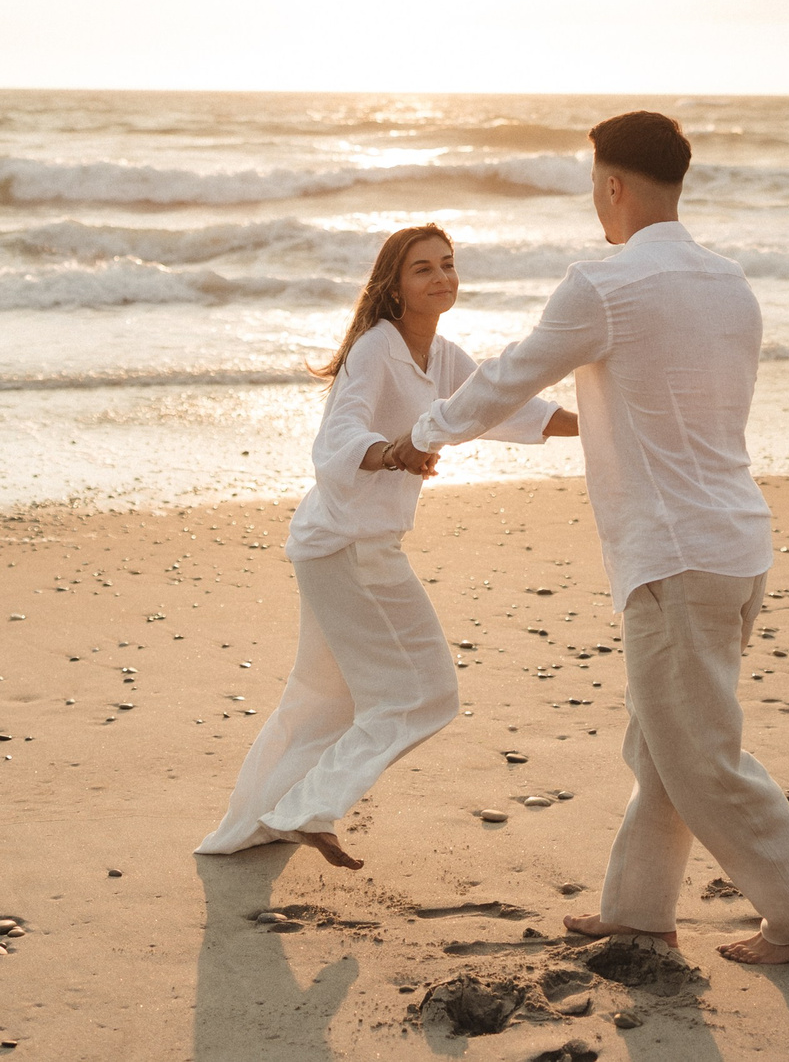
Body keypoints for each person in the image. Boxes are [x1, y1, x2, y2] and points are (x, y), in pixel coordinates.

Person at [396, 111, 789, 965]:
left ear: (612, 184)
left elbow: (506, 376)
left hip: (675, 553)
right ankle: (638, 910)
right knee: (662, 740)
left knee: (700, 755)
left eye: (592, 184)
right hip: (736, 543)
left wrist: (425, 432)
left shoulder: (604, 285)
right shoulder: (730, 283)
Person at [195, 222, 577, 870]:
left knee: (324, 697)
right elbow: (337, 439)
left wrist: (597, 420)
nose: (442, 277)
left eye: (449, 264)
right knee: (426, 691)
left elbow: (499, 405)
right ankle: (309, 806)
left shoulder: (443, 354)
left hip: (332, 545)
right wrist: (390, 450)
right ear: (394, 287)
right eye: (423, 268)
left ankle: (250, 825)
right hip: (351, 547)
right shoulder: (375, 349)